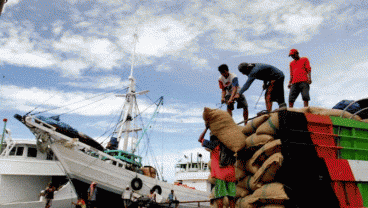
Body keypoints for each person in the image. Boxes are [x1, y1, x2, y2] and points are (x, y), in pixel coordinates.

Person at [198, 126, 236, 208]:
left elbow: (200, 139)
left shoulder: (214, 144)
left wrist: (206, 128)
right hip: (231, 174)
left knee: (220, 199)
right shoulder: (230, 144)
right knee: (232, 199)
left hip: (220, 174)